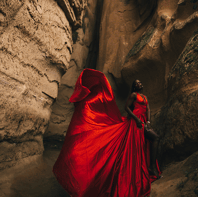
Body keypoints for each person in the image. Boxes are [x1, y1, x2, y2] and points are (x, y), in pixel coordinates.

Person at [53, 69, 161, 197]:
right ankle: (147, 168)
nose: (139, 84)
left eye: (140, 83)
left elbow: (147, 108)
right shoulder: (133, 95)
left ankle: (151, 167)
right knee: (139, 145)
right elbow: (127, 108)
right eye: (137, 83)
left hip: (143, 121)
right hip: (135, 122)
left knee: (154, 138)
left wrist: (148, 121)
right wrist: (136, 119)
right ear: (134, 86)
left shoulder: (144, 97)